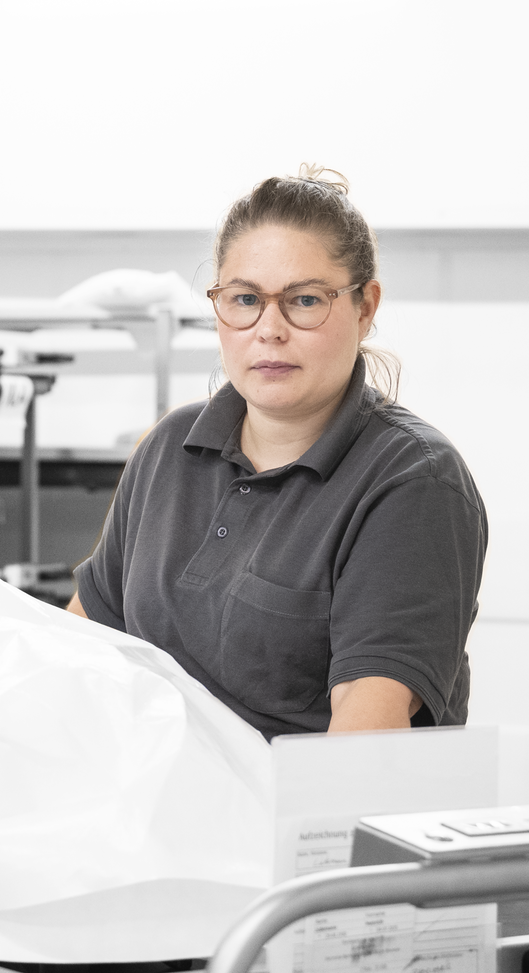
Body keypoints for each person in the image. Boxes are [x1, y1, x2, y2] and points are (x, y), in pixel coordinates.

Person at [69, 167, 486, 738]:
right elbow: (79, 650)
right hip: (146, 783)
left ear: (365, 307)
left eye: (305, 300)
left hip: (290, 796)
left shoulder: (413, 482)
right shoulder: (169, 448)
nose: (269, 329)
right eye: (245, 299)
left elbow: (361, 744)